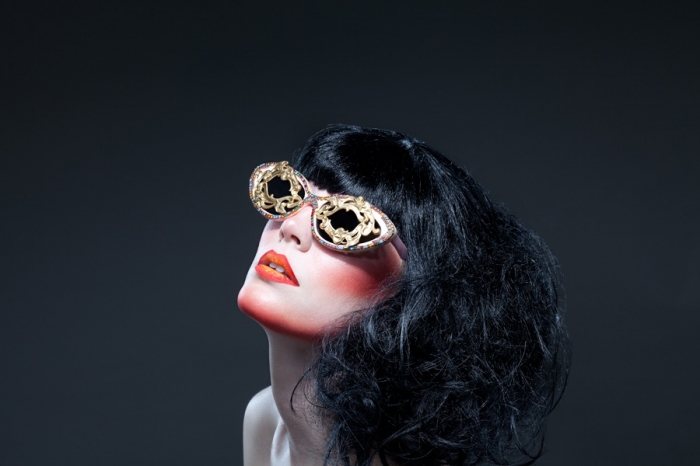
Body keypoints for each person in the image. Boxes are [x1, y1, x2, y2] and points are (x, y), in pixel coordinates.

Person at [238, 125, 570, 466]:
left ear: (416, 289)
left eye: (344, 222)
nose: (291, 227)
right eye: (289, 195)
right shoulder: (264, 420)